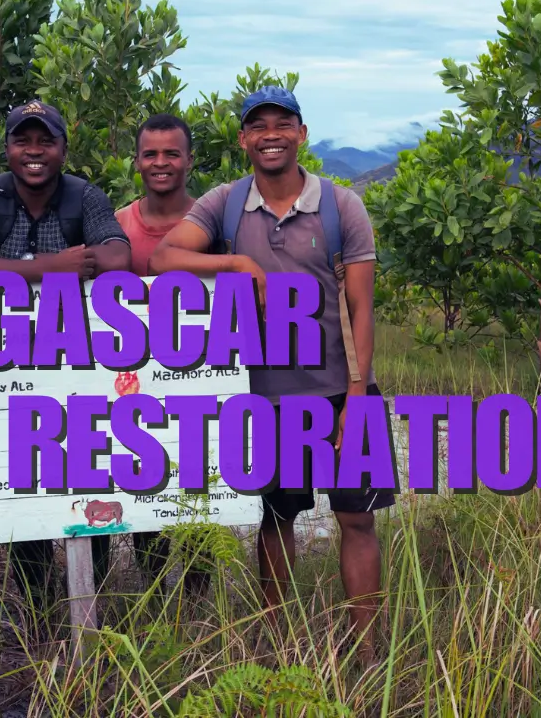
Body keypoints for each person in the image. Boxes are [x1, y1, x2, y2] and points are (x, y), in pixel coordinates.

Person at [149, 86, 391, 664]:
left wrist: (357, 398)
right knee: (276, 520)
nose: (271, 134)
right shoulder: (225, 204)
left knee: (356, 519)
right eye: (259, 125)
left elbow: (362, 308)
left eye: (284, 123)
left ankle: (368, 654)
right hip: (263, 398)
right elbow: (163, 259)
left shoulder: (340, 206)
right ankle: (278, 649)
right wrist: (234, 260)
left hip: (338, 391)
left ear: (302, 134)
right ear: (242, 139)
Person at [0, 99, 132, 628]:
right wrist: (55, 266)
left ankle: (84, 606)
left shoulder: (85, 195)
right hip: (6, 369)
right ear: (7, 148)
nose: (33, 151)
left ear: (63, 149)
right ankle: (33, 611)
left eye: (44, 140)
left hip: (79, 365)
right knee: (21, 488)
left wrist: (5, 271)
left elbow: (117, 257)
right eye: (22, 140)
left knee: (88, 478)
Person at [115, 113, 211, 601]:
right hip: (136, 392)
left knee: (199, 497)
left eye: (172, 153)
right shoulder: (118, 226)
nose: (160, 163)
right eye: (150, 153)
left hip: (199, 388)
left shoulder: (211, 224)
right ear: (136, 161)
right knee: (147, 495)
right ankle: (153, 602)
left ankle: (196, 609)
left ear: (190, 160)